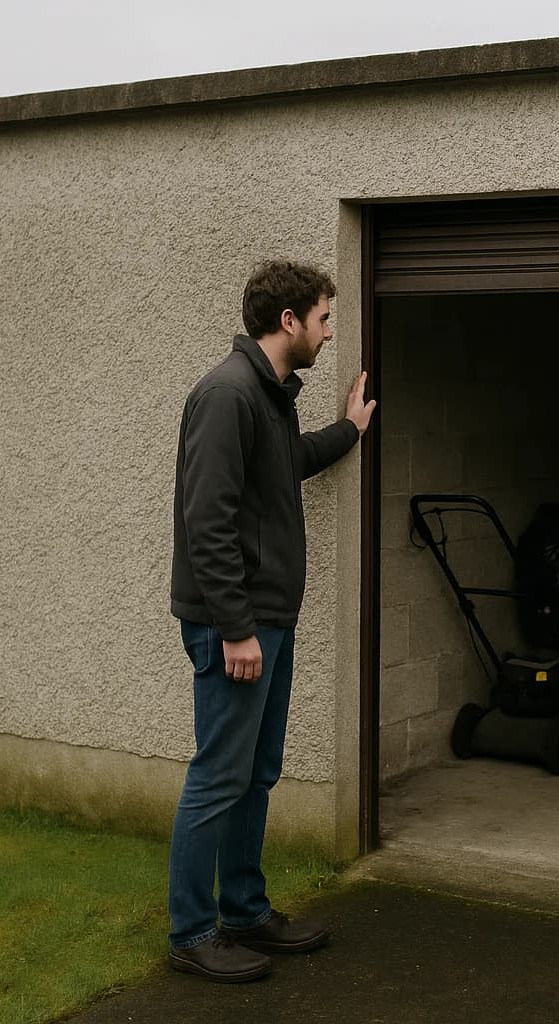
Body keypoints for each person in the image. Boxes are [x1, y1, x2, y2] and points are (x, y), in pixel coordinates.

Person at [166, 260, 377, 982]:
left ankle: (245, 911)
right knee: (219, 775)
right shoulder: (226, 396)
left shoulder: (267, 397)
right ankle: (192, 933)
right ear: (287, 322)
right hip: (240, 624)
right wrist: (234, 629)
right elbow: (208, 522)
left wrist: (348, 430)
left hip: (266, 621)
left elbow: (286, 464)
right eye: (323, 319)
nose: (327, 333)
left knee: (256, 772)